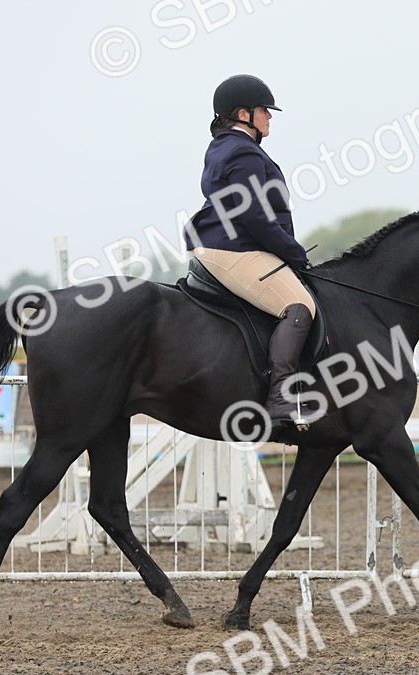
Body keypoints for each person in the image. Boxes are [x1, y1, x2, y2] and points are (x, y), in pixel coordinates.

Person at [186, 74, 315, 429]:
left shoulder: (223, 146)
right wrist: (294, 253)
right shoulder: (243, 151)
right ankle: (282, 401)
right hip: (234, 249)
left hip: (221, 244)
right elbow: (255, 216)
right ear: (243, 114)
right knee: (299, 306)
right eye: (264, 110)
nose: (270, 116)